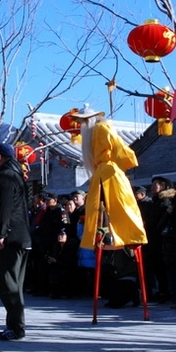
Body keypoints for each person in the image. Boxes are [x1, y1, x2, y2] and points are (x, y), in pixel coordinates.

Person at [71, 106, 147, 251]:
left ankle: (130, 235)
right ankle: (103, 235)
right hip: (101, 172)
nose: (82, 124)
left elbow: (117, 144)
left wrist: (127, 160)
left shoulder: (101, 127)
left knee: (121, 202)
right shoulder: (93, 132)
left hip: (109, 171)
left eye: (84, 120)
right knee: (99, 205)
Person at [0, 143, 32, 341]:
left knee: (8, 284)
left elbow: (4, 208)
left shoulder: (5, 177)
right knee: (15, 284)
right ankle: (15, 325)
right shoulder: (18, 176)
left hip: (11, 238)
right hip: (21, 236)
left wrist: (0, 234)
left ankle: (16, 327)